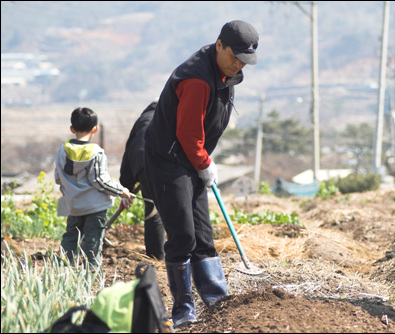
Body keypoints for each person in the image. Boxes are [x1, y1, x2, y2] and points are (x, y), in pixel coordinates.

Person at [143, 20, 259, 328]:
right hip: (168, 160)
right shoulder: (197, 79)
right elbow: (187, 133)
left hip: (191, 158)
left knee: (203, 234)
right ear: (219, 44)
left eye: (245, 60)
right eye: (234, 56)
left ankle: (216, 298)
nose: (238, 64)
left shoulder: (224, 72)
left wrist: (202, 161)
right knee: (182, 235)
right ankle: (183, 308)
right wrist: (204, 163)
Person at [55, 107, 133, 270]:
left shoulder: (63, 150)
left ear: (72, 129)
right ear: (95, 129)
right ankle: (91, 272)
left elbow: (57, 177)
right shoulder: (96, 152)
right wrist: (121, 191)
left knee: (70, 237)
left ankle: (62, 268)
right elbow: (99, 180)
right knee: (93, 240)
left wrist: (69, 192)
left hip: (74, 206)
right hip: (95, 208)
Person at [119, 99, 165, 261]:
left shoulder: (143, 119)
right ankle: (180, 254)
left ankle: (156, 256)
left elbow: (129, 152)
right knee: (175, 207)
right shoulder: (170, 114)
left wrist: (127, 187)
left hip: (142, 165)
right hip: (163, 161)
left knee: (153, 208)